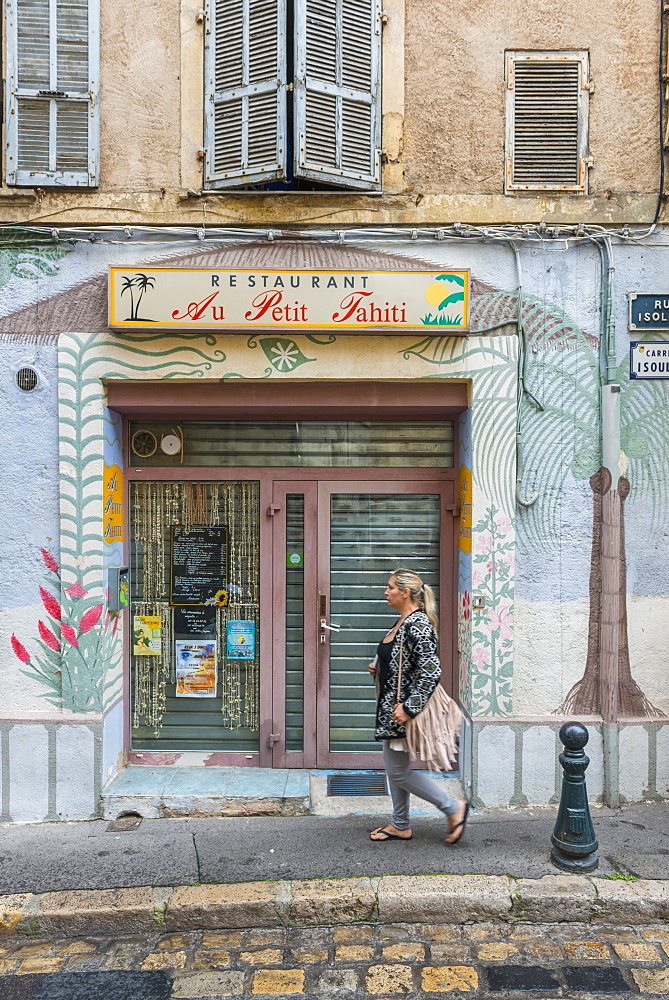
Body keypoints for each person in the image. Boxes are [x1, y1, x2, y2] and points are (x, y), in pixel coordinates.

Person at [368, 568, 469, 845]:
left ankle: (452, 807)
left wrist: (410, 708)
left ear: (405, 592)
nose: (385, 592)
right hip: (393, 711)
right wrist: (379, 666)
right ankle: (400, 824)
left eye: (389, 587)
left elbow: (431, 671)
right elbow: (402, 659)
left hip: (403, 712)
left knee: (397, 770)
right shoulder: (402, 622)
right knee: (394, 766)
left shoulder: (418, 625)